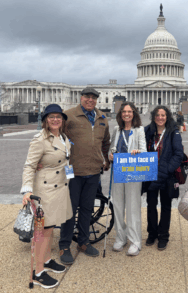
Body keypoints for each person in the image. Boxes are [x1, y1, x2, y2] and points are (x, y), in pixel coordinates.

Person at [21, 104, 73, 289]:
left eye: (58, 117)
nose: (55, 120)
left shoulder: (63, 136)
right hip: (45, 190)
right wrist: (27, 189)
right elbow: (29, 165)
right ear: (45, 120)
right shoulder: (39, 139)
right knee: (42, 231)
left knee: (50, 227)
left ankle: (48, 259)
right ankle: (38, 271)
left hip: (59, 187)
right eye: (51, 117)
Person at [58, 87, 110, 264]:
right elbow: (56, 136)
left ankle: (83, 241)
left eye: (93, 98)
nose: (90, 100)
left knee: (87, 209)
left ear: (96, 100)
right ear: (81, 98)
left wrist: (106, 160)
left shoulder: (102, 117)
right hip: (73, 170)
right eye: (87, 97)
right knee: (69, 210)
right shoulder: (69, 115)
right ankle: (64, 245)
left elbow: (106, 142)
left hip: (94, 170)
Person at [109, 102, 147, 256]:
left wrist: (138, 151)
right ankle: (121, 237)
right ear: (120, 114)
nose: (126, 114)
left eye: (129, 112)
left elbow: (144, 150)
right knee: (117, 206)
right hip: (118, 170)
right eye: (124, 112)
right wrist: (110, 155)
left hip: (133, 172)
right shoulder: (117, 129)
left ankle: (135, 241)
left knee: (132, 207)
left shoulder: (139, 130)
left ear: (134, 113)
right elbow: (111, 148)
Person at [143, 106, 183, 250]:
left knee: (166, 207)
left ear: (167, 117)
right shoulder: (147, 131)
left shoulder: (174, 132)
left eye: (163, 115)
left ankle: (163, 236)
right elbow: (141, 149)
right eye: (158, 115)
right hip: (150, 174)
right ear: (154, 116)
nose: (160, 118)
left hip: (167, 176)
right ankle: (152, 233)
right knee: (151, 206)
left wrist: (166, 170)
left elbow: (178, 154)